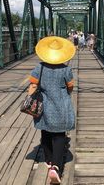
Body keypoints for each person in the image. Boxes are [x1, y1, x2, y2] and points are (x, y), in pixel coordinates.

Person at [28, 36, 76, 184]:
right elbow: (70, 87)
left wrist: (29, 100)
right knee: (60, 135)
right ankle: (56, 166)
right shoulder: (66, 70)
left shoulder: (39, 68)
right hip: (61, 106)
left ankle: (48, 160)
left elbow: (33, 85)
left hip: (44, 107)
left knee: (45, 131)